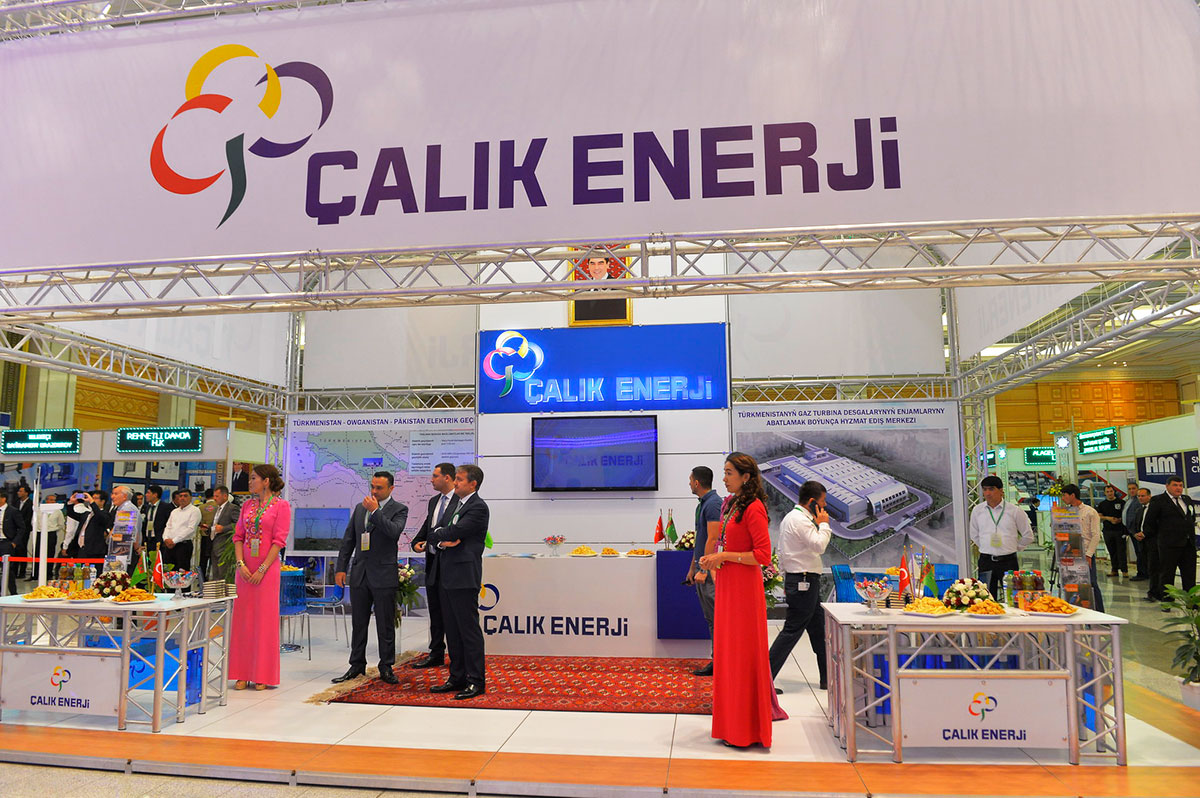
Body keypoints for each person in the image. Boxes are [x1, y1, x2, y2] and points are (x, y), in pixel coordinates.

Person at [698, 452, 787, 749]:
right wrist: (714, 559)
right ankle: (730, 725)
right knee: (728, 655)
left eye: (729, 473)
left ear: (746, 477)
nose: (724, 478)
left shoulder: (754, 507)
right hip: (728, 585)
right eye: (724, 472)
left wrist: (724, 556)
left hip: (744, 592)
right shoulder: (730, 504)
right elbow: (725, 542)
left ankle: (746, 730)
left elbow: (762, 555)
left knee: (742, 655)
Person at [331, 472, 409, 685]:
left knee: (385, 624)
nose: (374, 491)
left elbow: (393, 532)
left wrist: (375, 511)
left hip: (383, 575)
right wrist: (341, 568)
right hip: (360, 574)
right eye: (372, 486)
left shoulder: (399, 509)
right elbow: (349, 540)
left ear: (391, 489)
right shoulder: (359, 508)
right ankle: (356, 665)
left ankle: (386, 666)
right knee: (358, 623)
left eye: (379, 488)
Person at [426, 464, 489, 700]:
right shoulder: (458, 504)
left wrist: (445, 535)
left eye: (460, 479)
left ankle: (476, 681)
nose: (456, 483)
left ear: (473, 484)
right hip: (446, 575)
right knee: (452, 631)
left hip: (463, 577)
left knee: (468, 631)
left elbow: (453, 532)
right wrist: (443, 539)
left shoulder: (478, 507)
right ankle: (457, 677)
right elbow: (435, 532)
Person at [230, 464, 290, 690]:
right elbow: (238, 537)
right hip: (244, 570)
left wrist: (263, 568)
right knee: (242, 620)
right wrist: (240, 564)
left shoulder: (281, 506)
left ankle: (262, 674)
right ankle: (241, 672)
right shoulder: (247, 505)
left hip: (267, 571)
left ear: (266, 481)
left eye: (254, 478)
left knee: (264, 621)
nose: (250, 481)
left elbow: (279, 541)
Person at [768, 479, 830, 692]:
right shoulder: (800, 520)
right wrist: (824, 524)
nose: (825, 507)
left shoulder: (791, 518)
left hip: (805, 581)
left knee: (819, 631)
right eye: (822, 502)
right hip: (803, 581)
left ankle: (827, 678)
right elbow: (819, 545)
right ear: (812, 501)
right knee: (792, 630)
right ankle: (764, 679)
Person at [409, 463, 459, 670]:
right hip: (432, 565)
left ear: (447, 477)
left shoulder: (460, 502)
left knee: (452, 615)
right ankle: (436, 653)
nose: (431, 479)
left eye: (435, 476)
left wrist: (435, 541)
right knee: (436, 613)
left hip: (451, 566)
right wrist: (416, 542)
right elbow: (428, 527)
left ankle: (457, 657)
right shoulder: (434, 501)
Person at [967, 475, 1034, 599]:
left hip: (1008, 562)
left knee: (1012, 598)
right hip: (986, 561)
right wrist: (987, 547)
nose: (987, 493)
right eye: (985, 489)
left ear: (1001, 490)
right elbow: (974, 535)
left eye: (991, 489)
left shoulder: (1015, 511)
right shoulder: (978, 510)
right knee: (986, 598)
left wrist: (1014, 547)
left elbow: (1028, 535)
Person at [685, 465, 721, 677]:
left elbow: (713, 539)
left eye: (690, 480)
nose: (689, 483)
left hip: (710, 573)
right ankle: (718, 661)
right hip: (702, 569)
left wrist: (705, 570)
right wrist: (693, 567)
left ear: (697, 482)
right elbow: (700, 539)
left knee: (717, 620)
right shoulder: (702, 504)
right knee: (711, 619)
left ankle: (720, 662)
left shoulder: (714, 503)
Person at [1142, 476, 1197, 605]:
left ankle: (1190, 601)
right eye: (1175, 485)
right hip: (1168, 545)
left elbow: (1191, 517)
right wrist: (1160, 537)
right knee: (1167, 574)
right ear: (1167, 486)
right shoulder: (1158, 500)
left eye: (1180, 485)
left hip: (1188, 544)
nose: (1178, 488)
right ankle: (1167, 600)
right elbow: (1149, 522)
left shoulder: (1186, 499)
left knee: (1189, 574)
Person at [1060, 484, 1104, 612]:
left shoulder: (1090, 512)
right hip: (1070, 553)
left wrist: (1089, 554)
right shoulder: (1066, 512)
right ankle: (1077, 611)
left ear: (1072, 495)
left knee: (1091, 583)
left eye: (1064, 495)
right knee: (1072, 584)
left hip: (1085, 553)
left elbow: (1096, 535)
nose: (1063, 498)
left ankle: (1100, 613)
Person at [64, 491, 110, 562]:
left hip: (94, 552)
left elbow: (100, 516)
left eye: (95, 498)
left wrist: (92, 502)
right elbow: (72, 514)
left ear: (102, 501)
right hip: (81, 549)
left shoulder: (105, 514)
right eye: (92, 498)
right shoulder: (87, 514)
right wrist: (71, 502)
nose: (92, 500)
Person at [161, 488, 199, 572]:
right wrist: (166, 539)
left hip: (183, 545)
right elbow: (168, 526)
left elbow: (191, 529)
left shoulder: (195, 511)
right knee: (168, 571)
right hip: (169, 545)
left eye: (185, 496)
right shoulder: (174, 511)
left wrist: (174, 541)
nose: (182, 498)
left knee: (182, 573)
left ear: (190, 498)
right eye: (180, 496)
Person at [1130, 489, 1160, 598]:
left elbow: (1157, 525)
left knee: (1154, 568)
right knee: (1147, 565)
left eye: (1143, 496)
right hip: (1142, 543)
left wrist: (1145, 533)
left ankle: (1155, 592)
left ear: (1149, 496)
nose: (1140, 498)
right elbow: (1135, 525)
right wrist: (1135, 534)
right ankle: (1153, 590)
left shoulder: (1155, 510)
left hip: (1153, 542)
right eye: (1139, 496)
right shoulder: (1139, 510)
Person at [1096, 484, 1128, 579]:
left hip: (1119, 530)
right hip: (1108, 531)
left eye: (1111, 491)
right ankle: (1114, 569)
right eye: (1107, 492)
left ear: (1114, 492)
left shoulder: (1121, 502)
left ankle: (1124, 570)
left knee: (1121, 550)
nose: (1110, 493)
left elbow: (1126, 515)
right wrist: (1108, 518)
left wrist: (1119, 520)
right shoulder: (1102, 504)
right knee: (1112, 551)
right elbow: (1099, 516)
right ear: (1105, 493)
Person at [209, 485, 239, 582]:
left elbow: (238, 525)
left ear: (225, 496)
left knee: (223, 576)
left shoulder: (232, 508)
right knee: (216, 575)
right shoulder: (216, 509)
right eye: (214, 496)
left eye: (217, 496)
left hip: (225, 547)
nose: (214, 498)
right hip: (215, 545)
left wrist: (224, 528)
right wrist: (208, 528)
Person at [0, 492, 26, 595]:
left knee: (8, 569)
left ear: (3, 499)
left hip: (7, 543)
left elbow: (22, 528)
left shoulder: (13, 511)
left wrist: (14, 542)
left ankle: (13, 592)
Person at [36, 494, 65, 580]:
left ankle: (48, 573)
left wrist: (52, 529)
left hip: (51, 534)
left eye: (54, 500)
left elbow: (61, 524)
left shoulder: (58, 511)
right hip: (40, 533)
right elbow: (35, 521)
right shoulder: (39, 509)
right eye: (51, 500)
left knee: (50, 553)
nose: (53, 502)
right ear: (46, 500)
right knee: (37, 553)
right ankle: (36, 574)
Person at [1124, 482, 1148, 581]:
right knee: (1138, 552)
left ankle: (1142, 573)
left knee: (1141, 553)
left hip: (1137, 532)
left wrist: (1134, 532)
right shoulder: (1129, 500)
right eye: (1129, 489)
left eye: (1133, 488)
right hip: (1130, 531)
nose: (1131, 490)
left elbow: (1136, 519)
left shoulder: (1138, 502)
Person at [142, 485, 173, 552]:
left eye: (148, 493)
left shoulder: (166, 507)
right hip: (148, 539)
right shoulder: (147, 507)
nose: (146, 495)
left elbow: (169, 524)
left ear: (155, 495)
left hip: (159, 540)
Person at [196, 489, 217, 580]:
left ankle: (202, 579)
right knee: (215, 558)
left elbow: (198, 522)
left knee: (203, 559)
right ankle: (215, 579)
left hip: (204, 536)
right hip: (216, 535)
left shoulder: (200, 507)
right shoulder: (218, 506)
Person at [14, 485, 33, 580]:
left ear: (26, 493)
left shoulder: (30, 504)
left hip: (25, 530)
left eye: (21, 491)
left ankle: (22, 571)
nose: (19, 493)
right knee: (15, 550)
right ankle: (14, 571)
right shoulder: (16, 502)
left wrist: (20, 526)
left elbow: (28, 518)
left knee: (22, 549)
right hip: (15, 530)